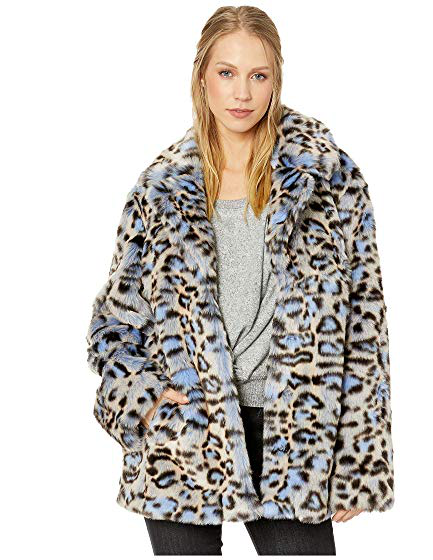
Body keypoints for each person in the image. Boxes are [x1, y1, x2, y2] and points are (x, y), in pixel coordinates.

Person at [86, 5, 394, 556]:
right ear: (202, 76)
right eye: (227, 72)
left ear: (277, 80)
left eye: (259, 75)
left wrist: (359, 457)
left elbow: (366, 323)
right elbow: (114, 323)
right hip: (186, 432)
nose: (242, 93)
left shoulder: (328, 179)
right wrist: (146, 400)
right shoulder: (160, 189)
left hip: (295, 434)